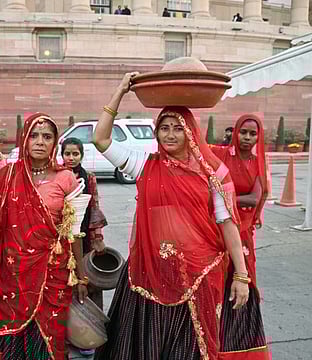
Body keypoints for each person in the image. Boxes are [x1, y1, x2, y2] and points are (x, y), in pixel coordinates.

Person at [93, 73, 250, 360]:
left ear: (191, 131)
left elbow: (226, 223)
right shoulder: (145, 166)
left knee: (189, 350)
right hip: (150, 271)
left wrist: (241, 274)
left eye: (178, 128)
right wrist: (120, 91)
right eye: (163, 128)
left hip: (198, 275)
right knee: (147, 345)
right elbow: (101, 139)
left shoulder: (213, 173)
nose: (170, 134)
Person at [0, 113, 88, 360]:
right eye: (34, 136)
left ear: (55, 142)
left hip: (53, 270)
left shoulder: (67, 178)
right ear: (24, 140)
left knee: (48, 332)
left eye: (47, 136)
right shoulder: (7, 176)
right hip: (12, 271)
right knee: (11, 333)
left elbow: (74, 232)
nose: (40, 141)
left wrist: (81, 277)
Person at [211, 114, 269, 359]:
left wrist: (220, 198)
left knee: (241, 279)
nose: (247, 137)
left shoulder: (258, 163)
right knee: (215, 280)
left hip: (243, 232)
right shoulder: (221, 155)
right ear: (235, 132)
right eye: (243, 132)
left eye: (252, 134)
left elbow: (255, 198)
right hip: (217, 229)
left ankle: (237, 347)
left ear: (259, 136)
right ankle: (210, 338)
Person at [61, 137, 108, 357]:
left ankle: (89, 334)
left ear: (81, 155)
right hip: (61, 241)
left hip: (85, 239)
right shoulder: (57, 175)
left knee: (88, 284)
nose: (70, 158)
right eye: (67, 154)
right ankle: (66, 336)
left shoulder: (89, 178)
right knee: (65, 285)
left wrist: (98, 237)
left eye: (75, 154)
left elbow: (95, 207)